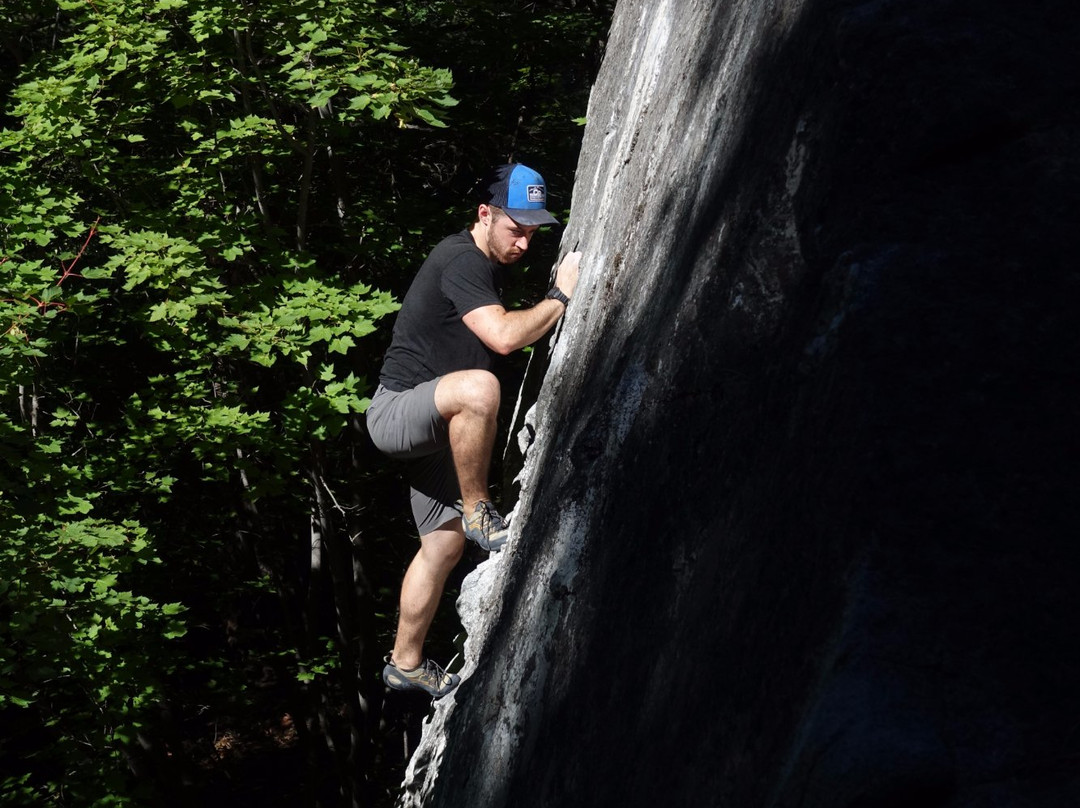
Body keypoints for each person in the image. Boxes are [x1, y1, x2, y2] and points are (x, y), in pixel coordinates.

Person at [366, 163, 580, 698]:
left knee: (441, 547)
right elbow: (504, 337)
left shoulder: (484, 262)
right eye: (516, 228)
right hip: (399, 413)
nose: (525, 242)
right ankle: (480, 511)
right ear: (484, 214)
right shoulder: (460, 257)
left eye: (534, 231)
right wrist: (560, 297)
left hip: (438, 423)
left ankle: (405, 662)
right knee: (481, 387)